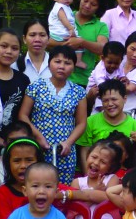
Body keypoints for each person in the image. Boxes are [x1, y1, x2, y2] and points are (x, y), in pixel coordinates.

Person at [17, 46, 88, 184]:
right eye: (57, 61)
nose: (62, 66)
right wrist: (38, 136)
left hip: (65, 151)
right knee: (38, 186)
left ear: (73, 67)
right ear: (49, 64)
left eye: (67, 63)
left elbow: (82, 123)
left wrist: (68, 143)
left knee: (62, 191)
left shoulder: (79, 91)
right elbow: (23, 116)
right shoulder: (35, 87)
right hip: (38, 148)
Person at [68, 140, 121, 219]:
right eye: (94, 157)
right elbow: (77, 209)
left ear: (110, 168)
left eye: (103, 162)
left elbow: (109, 198)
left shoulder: (112, 179)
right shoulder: (77, 182)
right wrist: (96, 192)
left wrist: (88, 195)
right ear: (87, 157)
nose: (96, 163)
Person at [0, 29, 30, 149]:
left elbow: (23, 115)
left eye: (14, 48)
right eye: (4, 46)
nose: (9, 51)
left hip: (13, 144)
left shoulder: (23, 80)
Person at [76, 79, 136, 156]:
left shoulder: (133, 125)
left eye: (114, 99)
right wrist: (86, 168)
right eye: (105, 100)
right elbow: (84, 150)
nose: (110, 104)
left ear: (124, 99)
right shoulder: (90, 122)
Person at [48, 0, 83, 68]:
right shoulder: (60, 7)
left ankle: (75, 61)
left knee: (75, 45)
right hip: (60, 34)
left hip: (61, 33)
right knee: (79, 43)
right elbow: (63, 19)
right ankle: (78, 61)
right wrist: (71, 29)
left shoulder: (66, 7)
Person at [85, 41, 126, 109]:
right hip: (96, 89)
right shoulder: (100, 69)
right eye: (110, 62)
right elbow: (101, 85)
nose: (113, 65)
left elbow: (121, 76)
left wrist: (124, 79)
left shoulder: (120, 66)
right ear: (103, 58)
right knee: (100, 97)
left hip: (108, 90)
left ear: (121, 60)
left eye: (116, 63)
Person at [17, 19, 52, 84]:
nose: (37, 40)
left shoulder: (58, 64)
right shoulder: (15, 65)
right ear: (24, 39)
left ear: (48, 39)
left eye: (42, 35)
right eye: (32, 35)